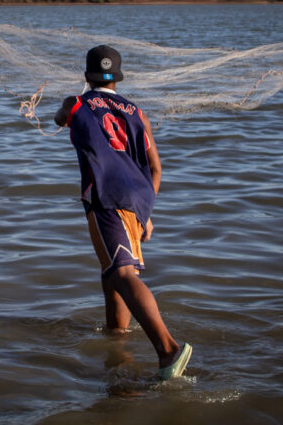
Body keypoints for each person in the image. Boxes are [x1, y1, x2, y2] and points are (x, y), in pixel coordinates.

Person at [54, 45, 192, 380]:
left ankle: (168, 350)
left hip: (106, 195)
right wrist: (144, 211)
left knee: (123, 273)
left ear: (87, 76)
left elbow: (59, 119)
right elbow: (156, 169)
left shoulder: (76, 103)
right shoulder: (137, 111)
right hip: (138, 197)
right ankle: (118, 341)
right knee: (112, 271)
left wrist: (75, 100)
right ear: (118, 78)